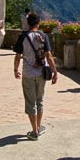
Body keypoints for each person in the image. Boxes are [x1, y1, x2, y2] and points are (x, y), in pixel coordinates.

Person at [13, 13, 58, 141]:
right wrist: (55, 71)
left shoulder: (23, 37)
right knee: (40, 100)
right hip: (41, 73)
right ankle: (38, 127)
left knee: (30, 102)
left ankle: (34, 131)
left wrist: (15, 69)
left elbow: (17, 56)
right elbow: (49, 56)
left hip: (27, 73)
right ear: (38, 23)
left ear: (28, 23)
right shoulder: (43, 36)